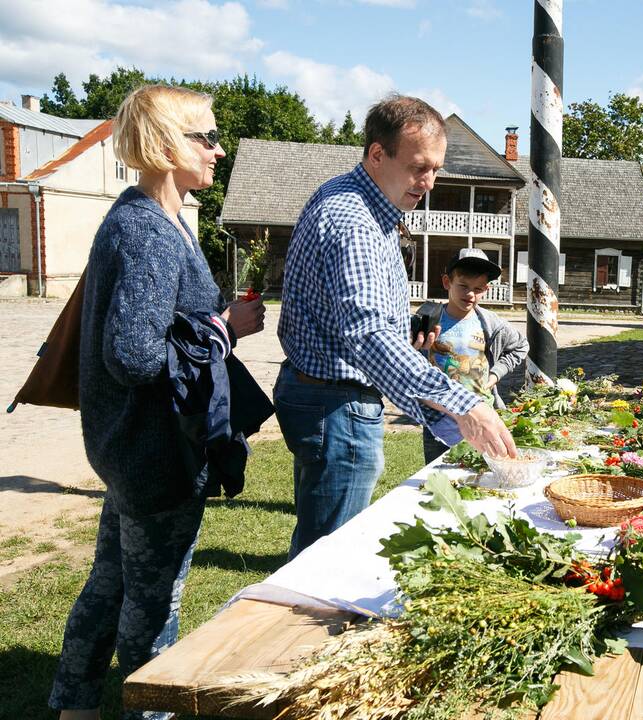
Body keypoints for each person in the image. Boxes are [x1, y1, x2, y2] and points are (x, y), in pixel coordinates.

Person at [50, 85, 266, 720]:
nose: (219, 149)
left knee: (111, 583)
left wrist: (218, 321)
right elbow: (135, 355)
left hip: (135, 445)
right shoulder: (146, 229)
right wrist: (226, 326)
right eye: (207, 136)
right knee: (152, 612)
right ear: (166, 145)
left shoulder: (155, 218)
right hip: (154, 451)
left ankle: (74, 706)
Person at [275, 94, 516, 559]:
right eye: (418, 167)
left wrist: (401, 332)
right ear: (377, 154)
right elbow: (366, 333)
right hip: (335, 402)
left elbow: (351, 316)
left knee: (318, 549)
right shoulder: (354, 220)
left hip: (325, 392)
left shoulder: (366, 205)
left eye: (436, 168)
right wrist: (463, 405)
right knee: (327, 561)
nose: (428, 182)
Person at [421, 248, 529, 464]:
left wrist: (494, 376)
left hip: (481, 417)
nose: (470, 294)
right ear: (446, 282)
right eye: (463, 286)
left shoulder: (490, 323)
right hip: (439, 420)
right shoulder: (429, 317)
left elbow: (520, 346)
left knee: (483, 475)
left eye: (478, 288)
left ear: (486, 289)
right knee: (441, 479)